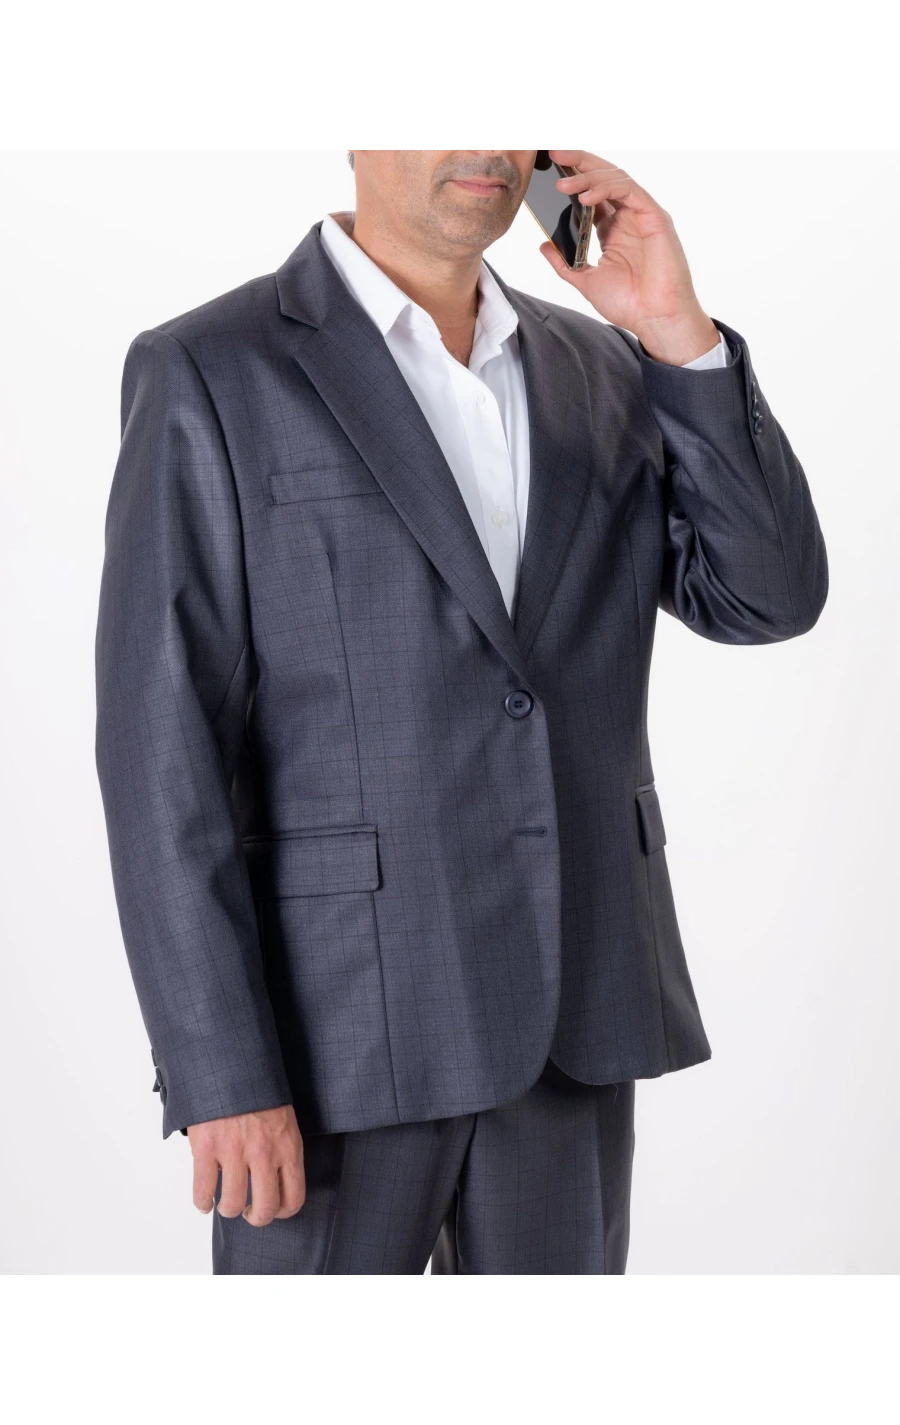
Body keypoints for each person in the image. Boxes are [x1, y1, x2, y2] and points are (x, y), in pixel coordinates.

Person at [95, 149, 828, 1274]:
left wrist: (676, 335)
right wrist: (220, 1069)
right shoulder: (211, 368)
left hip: (574, 1016)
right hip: (337, 1037)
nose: (483, 143)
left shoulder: (605, 366)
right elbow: (160, 751)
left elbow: (766, 597)